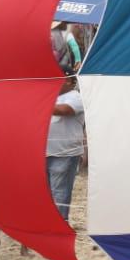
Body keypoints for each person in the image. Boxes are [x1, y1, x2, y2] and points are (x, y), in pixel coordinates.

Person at [46, 75, 85, 221]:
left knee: (60, 193)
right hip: (43, 153)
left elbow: (65, 110)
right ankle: (48, 226)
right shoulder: (49, 96)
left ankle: (59, 228)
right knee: (46, 194)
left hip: (64, 154)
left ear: (69, 81)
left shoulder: (76, 96)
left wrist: (37, 102)